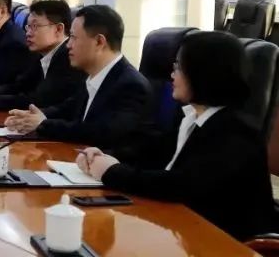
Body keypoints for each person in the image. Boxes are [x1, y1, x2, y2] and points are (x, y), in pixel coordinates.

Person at [76, 32, 275, 241]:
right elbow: (153, 152)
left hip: (226, 243)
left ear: (203, 73)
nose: (172, 75)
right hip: (183, 229)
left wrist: (111, 172)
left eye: (178, 67)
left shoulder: (237, 133)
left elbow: (179, 185)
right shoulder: (192, 117)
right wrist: (104, 156)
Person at [4, 5, 151, 148]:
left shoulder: (131, 85)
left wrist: (43, 124)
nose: (68, 45)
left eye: (74, 38)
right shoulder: (95, 75)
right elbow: (68, 108)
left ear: (99, 42)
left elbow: (101, 132)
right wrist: (35, 116)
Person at [0, 0, 86, 110]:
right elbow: (17, 87)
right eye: (28, 27)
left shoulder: (69, 58)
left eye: (35, 26)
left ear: (58, 29)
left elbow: (38, 100)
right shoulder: (41, 55)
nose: (28, 33)